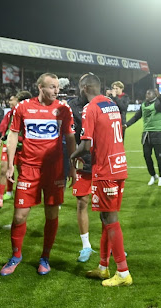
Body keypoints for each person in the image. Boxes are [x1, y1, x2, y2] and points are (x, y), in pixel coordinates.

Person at [0, 73, 75, 276]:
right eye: (52, 87)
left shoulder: (63, 109)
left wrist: (73, 166)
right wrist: (10, 164)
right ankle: (16, 256)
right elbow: (13, 135)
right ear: (40, 87)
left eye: (57, 87)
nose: (56, 91)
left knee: (51, 214)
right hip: (29, 169)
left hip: (54, 170)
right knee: (19, 215)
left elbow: (70, 137)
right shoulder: (23, 107)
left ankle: (45, 257)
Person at [71, 74, 132, 286]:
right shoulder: (111, 103)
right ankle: (103, 267)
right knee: (106, 219)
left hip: (105, 169)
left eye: (80, 87)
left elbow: (86, 146)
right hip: (119, 164)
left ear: (85, 87)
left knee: (111, 220)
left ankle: (123, 273)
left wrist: (72, 157)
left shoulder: (91, 108)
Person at [68, 74, 96, 262]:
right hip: (82, 160)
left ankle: (110, 244)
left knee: (105, 206)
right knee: (82, 202)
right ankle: (86, 246)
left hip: (102, 161)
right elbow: (70, 136)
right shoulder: (72, 106)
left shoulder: (102, 104)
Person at [0, 90, 31, 210]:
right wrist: (2, 137)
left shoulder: (30, 115)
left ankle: (21, 195)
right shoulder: (11, 114)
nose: (11, 102)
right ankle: (0, 199)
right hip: (9, 145)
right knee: (4, 169)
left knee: (21, 172)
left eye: (14, 100)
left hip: (23, 146)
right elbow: (4, 127)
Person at [125, 89, 161, 186]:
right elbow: (136, 117)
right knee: (146, 156)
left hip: (157, 133)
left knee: (159, 157)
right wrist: (126, 125)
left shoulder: (158, 104)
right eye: (146, 93)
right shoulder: (143, 105)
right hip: (146, 135)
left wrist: (160, 96)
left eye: (149, 93)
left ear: (154, 95)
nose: (146, 95)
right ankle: (153, 175)